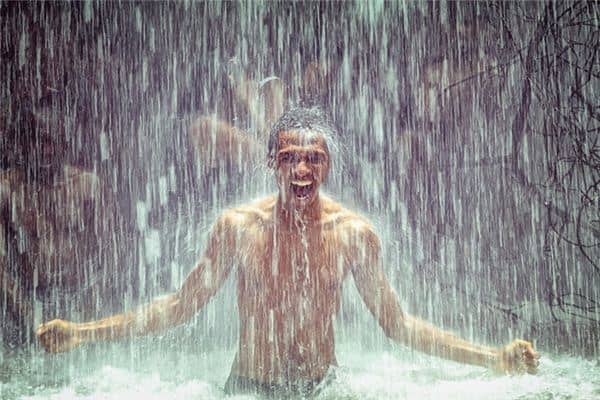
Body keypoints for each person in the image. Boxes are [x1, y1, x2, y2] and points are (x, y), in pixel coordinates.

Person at [37, 107, 539, 398]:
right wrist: (83, 333)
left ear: (328, 166)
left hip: (324, 391)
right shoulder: (238, 228)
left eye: (313, 159)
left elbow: (399, 324)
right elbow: (177, 307)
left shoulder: (353, 234)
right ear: (272, 164)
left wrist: (493, 358)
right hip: (249, 390)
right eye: (290, 158)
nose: (302, 169)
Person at [1, 95, 124, 345]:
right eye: (36, 139)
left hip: (82, 297)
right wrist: (31, 316)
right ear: (23, 142)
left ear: (64, 141)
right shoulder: (7, 190)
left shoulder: (89, 188)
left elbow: (114, 255)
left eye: (50, 141)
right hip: (26, 301)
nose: (44, 149)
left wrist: (83, 317)